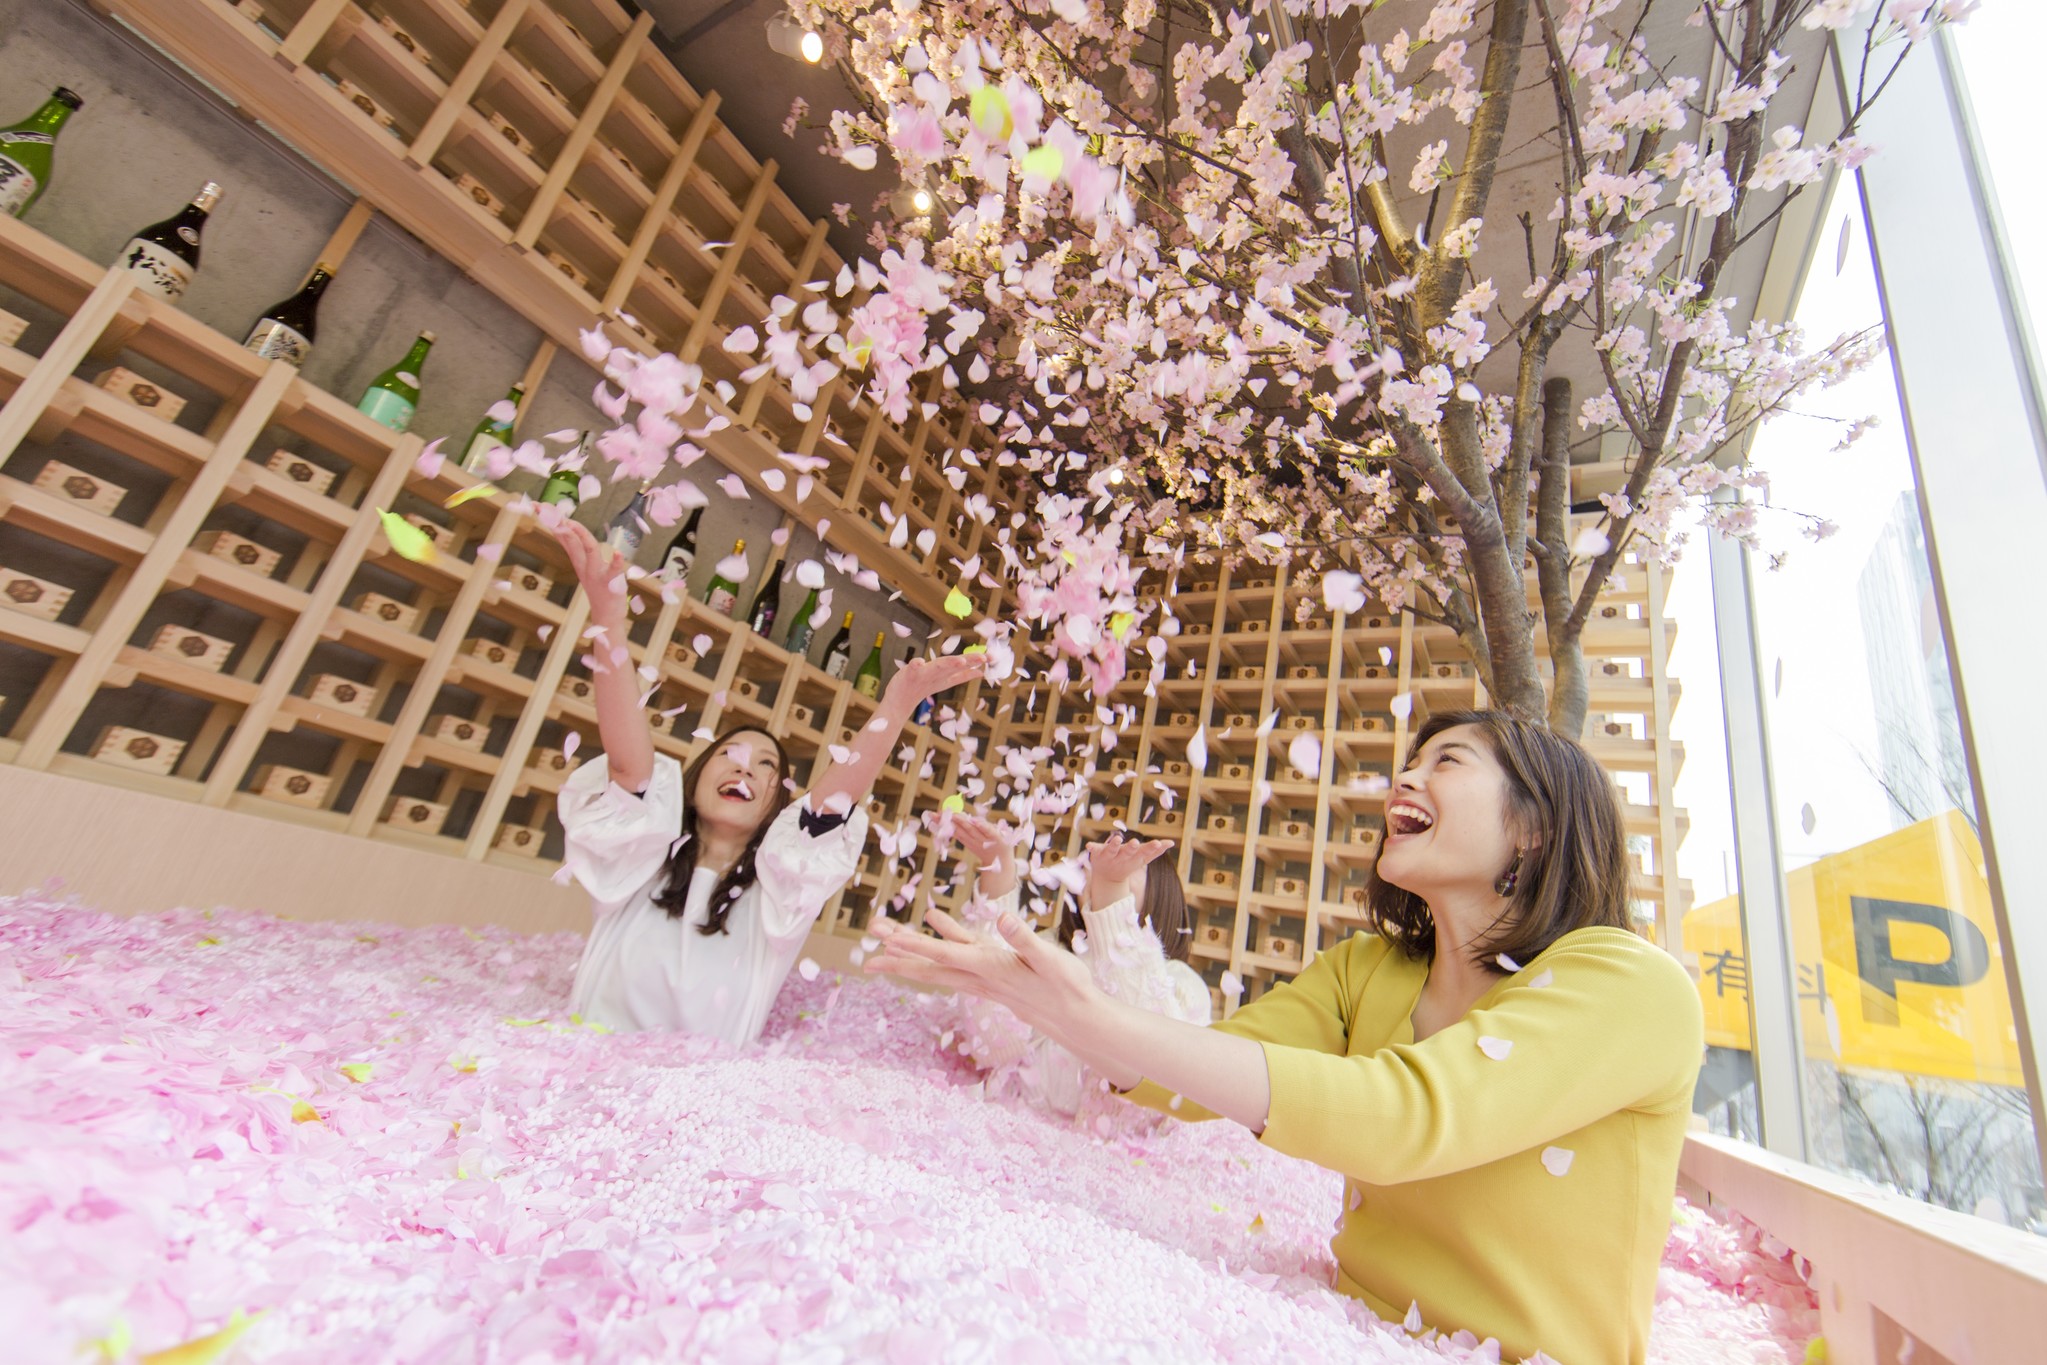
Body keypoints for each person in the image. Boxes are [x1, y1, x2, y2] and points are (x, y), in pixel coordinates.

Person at [868, 710, 1703, 1365]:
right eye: (1412, 761)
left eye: (1446, 761)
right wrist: (1047, 1007)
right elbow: (1191, 1074)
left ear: (1535, 827)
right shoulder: (1366, 968)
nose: (1403, 777)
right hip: (1336, 1326)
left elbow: (1407, 1118)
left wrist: (1094, 1016)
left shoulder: (1631, 984)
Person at [550, 517, 983, 1046]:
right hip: (582, 1074)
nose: (743, 769)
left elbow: (826, 813)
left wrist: (895, 706)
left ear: (778, 804)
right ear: (694, 780)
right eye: (729, 756)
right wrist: (608, 620)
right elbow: (628, 769)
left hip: (698, 1103)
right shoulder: (638, 860)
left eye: (764, 766)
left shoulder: (779, 896)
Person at [944, 819, 1211, 1117]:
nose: (1101, 877)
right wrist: (998, 876)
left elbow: (1159, 1081)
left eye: (1123, 873)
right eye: (1094, 870)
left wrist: (1111, 898)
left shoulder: (1182, 985)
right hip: (1012, 1132)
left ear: (1161, 895)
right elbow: (992, 1049)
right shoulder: (1050, 951)